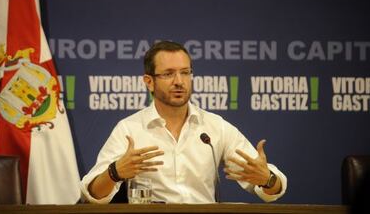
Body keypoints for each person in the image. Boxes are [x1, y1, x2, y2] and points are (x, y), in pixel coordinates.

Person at [80, 41, 287, 203]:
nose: (179, 81)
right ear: (149, 82)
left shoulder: (215, 127)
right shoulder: (130, 129)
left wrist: (266, 179)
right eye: (168, 74)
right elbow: (93, 194)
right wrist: (115, 173)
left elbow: (273, 188)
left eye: (185, 73)